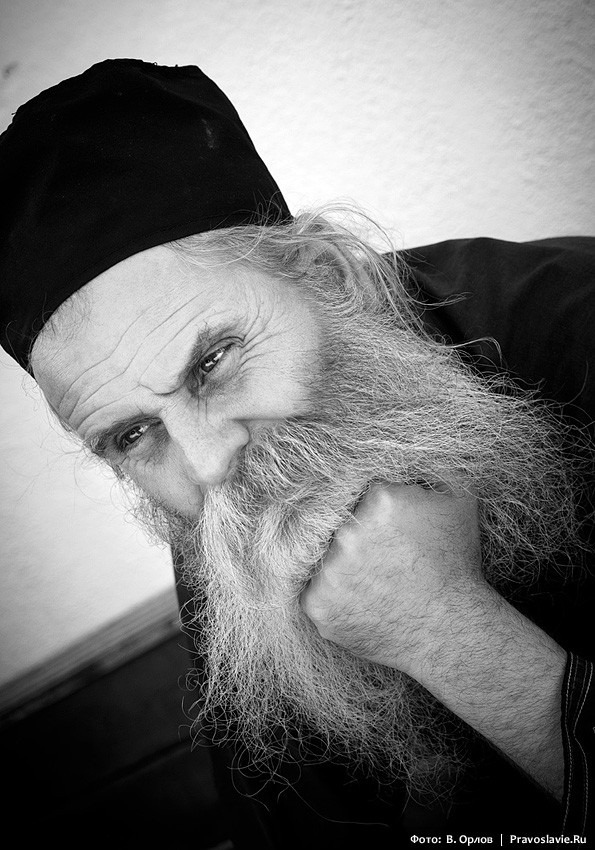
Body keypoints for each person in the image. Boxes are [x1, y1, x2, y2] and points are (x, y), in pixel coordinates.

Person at [1, 59, 594, 847]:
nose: (209, 463)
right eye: (133, 435)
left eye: (212, 362)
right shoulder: (231, 512)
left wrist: (442, 629)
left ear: (328, 275)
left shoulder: (572, 321)